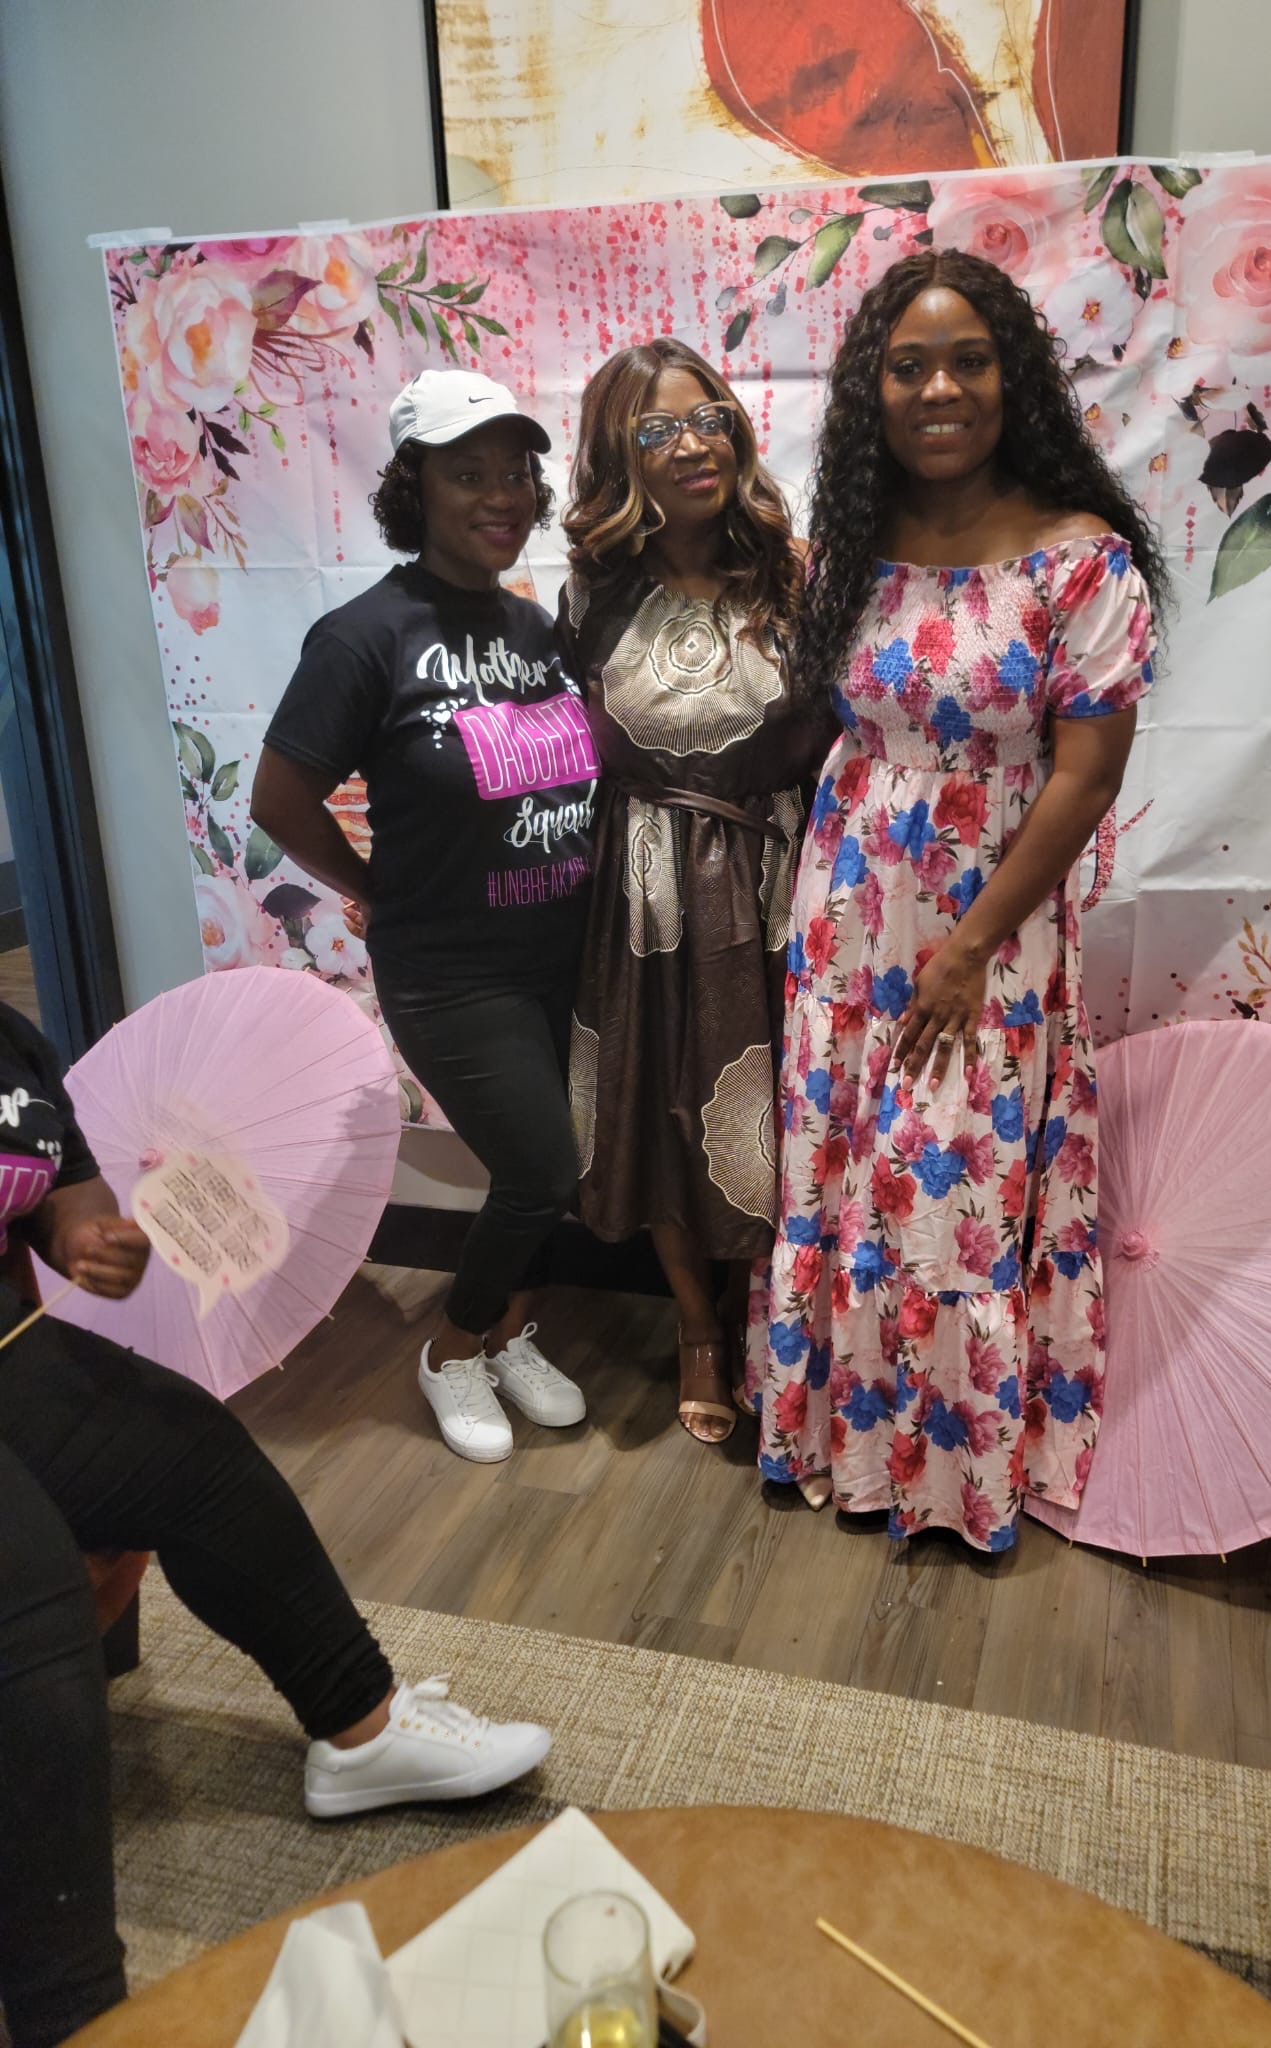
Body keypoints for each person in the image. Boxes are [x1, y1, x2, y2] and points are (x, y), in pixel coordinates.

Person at [0, 1002, 551, 2048]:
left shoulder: (9, 1038)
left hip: (11, 1355)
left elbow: (60, 1180)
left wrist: (82, 1232)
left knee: (191, 1447)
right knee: (28, 1597)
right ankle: (73, 2019)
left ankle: (361, 1730)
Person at [749, 249, 1166, 1548]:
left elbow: (1088, 775)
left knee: (948, 1194)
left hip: (987, 924)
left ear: (1013, 376)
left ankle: (950, 1476)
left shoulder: (1080, 561)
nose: (940, 389)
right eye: (909, 366)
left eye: (969, 360)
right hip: (847, 911)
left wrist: (973, 945)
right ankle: (844, 1442)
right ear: (873, 391)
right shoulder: (853, 549)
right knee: (844, 1174)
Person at [252, 370, 596, 1463]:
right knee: (542, 1170)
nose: (501, 496)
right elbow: (278, 799)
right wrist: (369, 884)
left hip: (565, 954)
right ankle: (451, 1349)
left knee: (560, 1173)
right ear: (416, 489)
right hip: (452, 971)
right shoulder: (364, 637)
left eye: (516, 473)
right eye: (468, 474)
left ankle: (512, 1334)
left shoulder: (537, 627)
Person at [558, 338, 833, 1443]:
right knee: (665, 1112)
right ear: (619, 457)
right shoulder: (592, 593)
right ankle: (696, 1326)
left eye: (707, 417)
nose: (691, 444)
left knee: (782, 1108)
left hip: (778, 876)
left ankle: (767, 1317)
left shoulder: (798, 576)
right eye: (658, 430)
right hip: (644, 892)